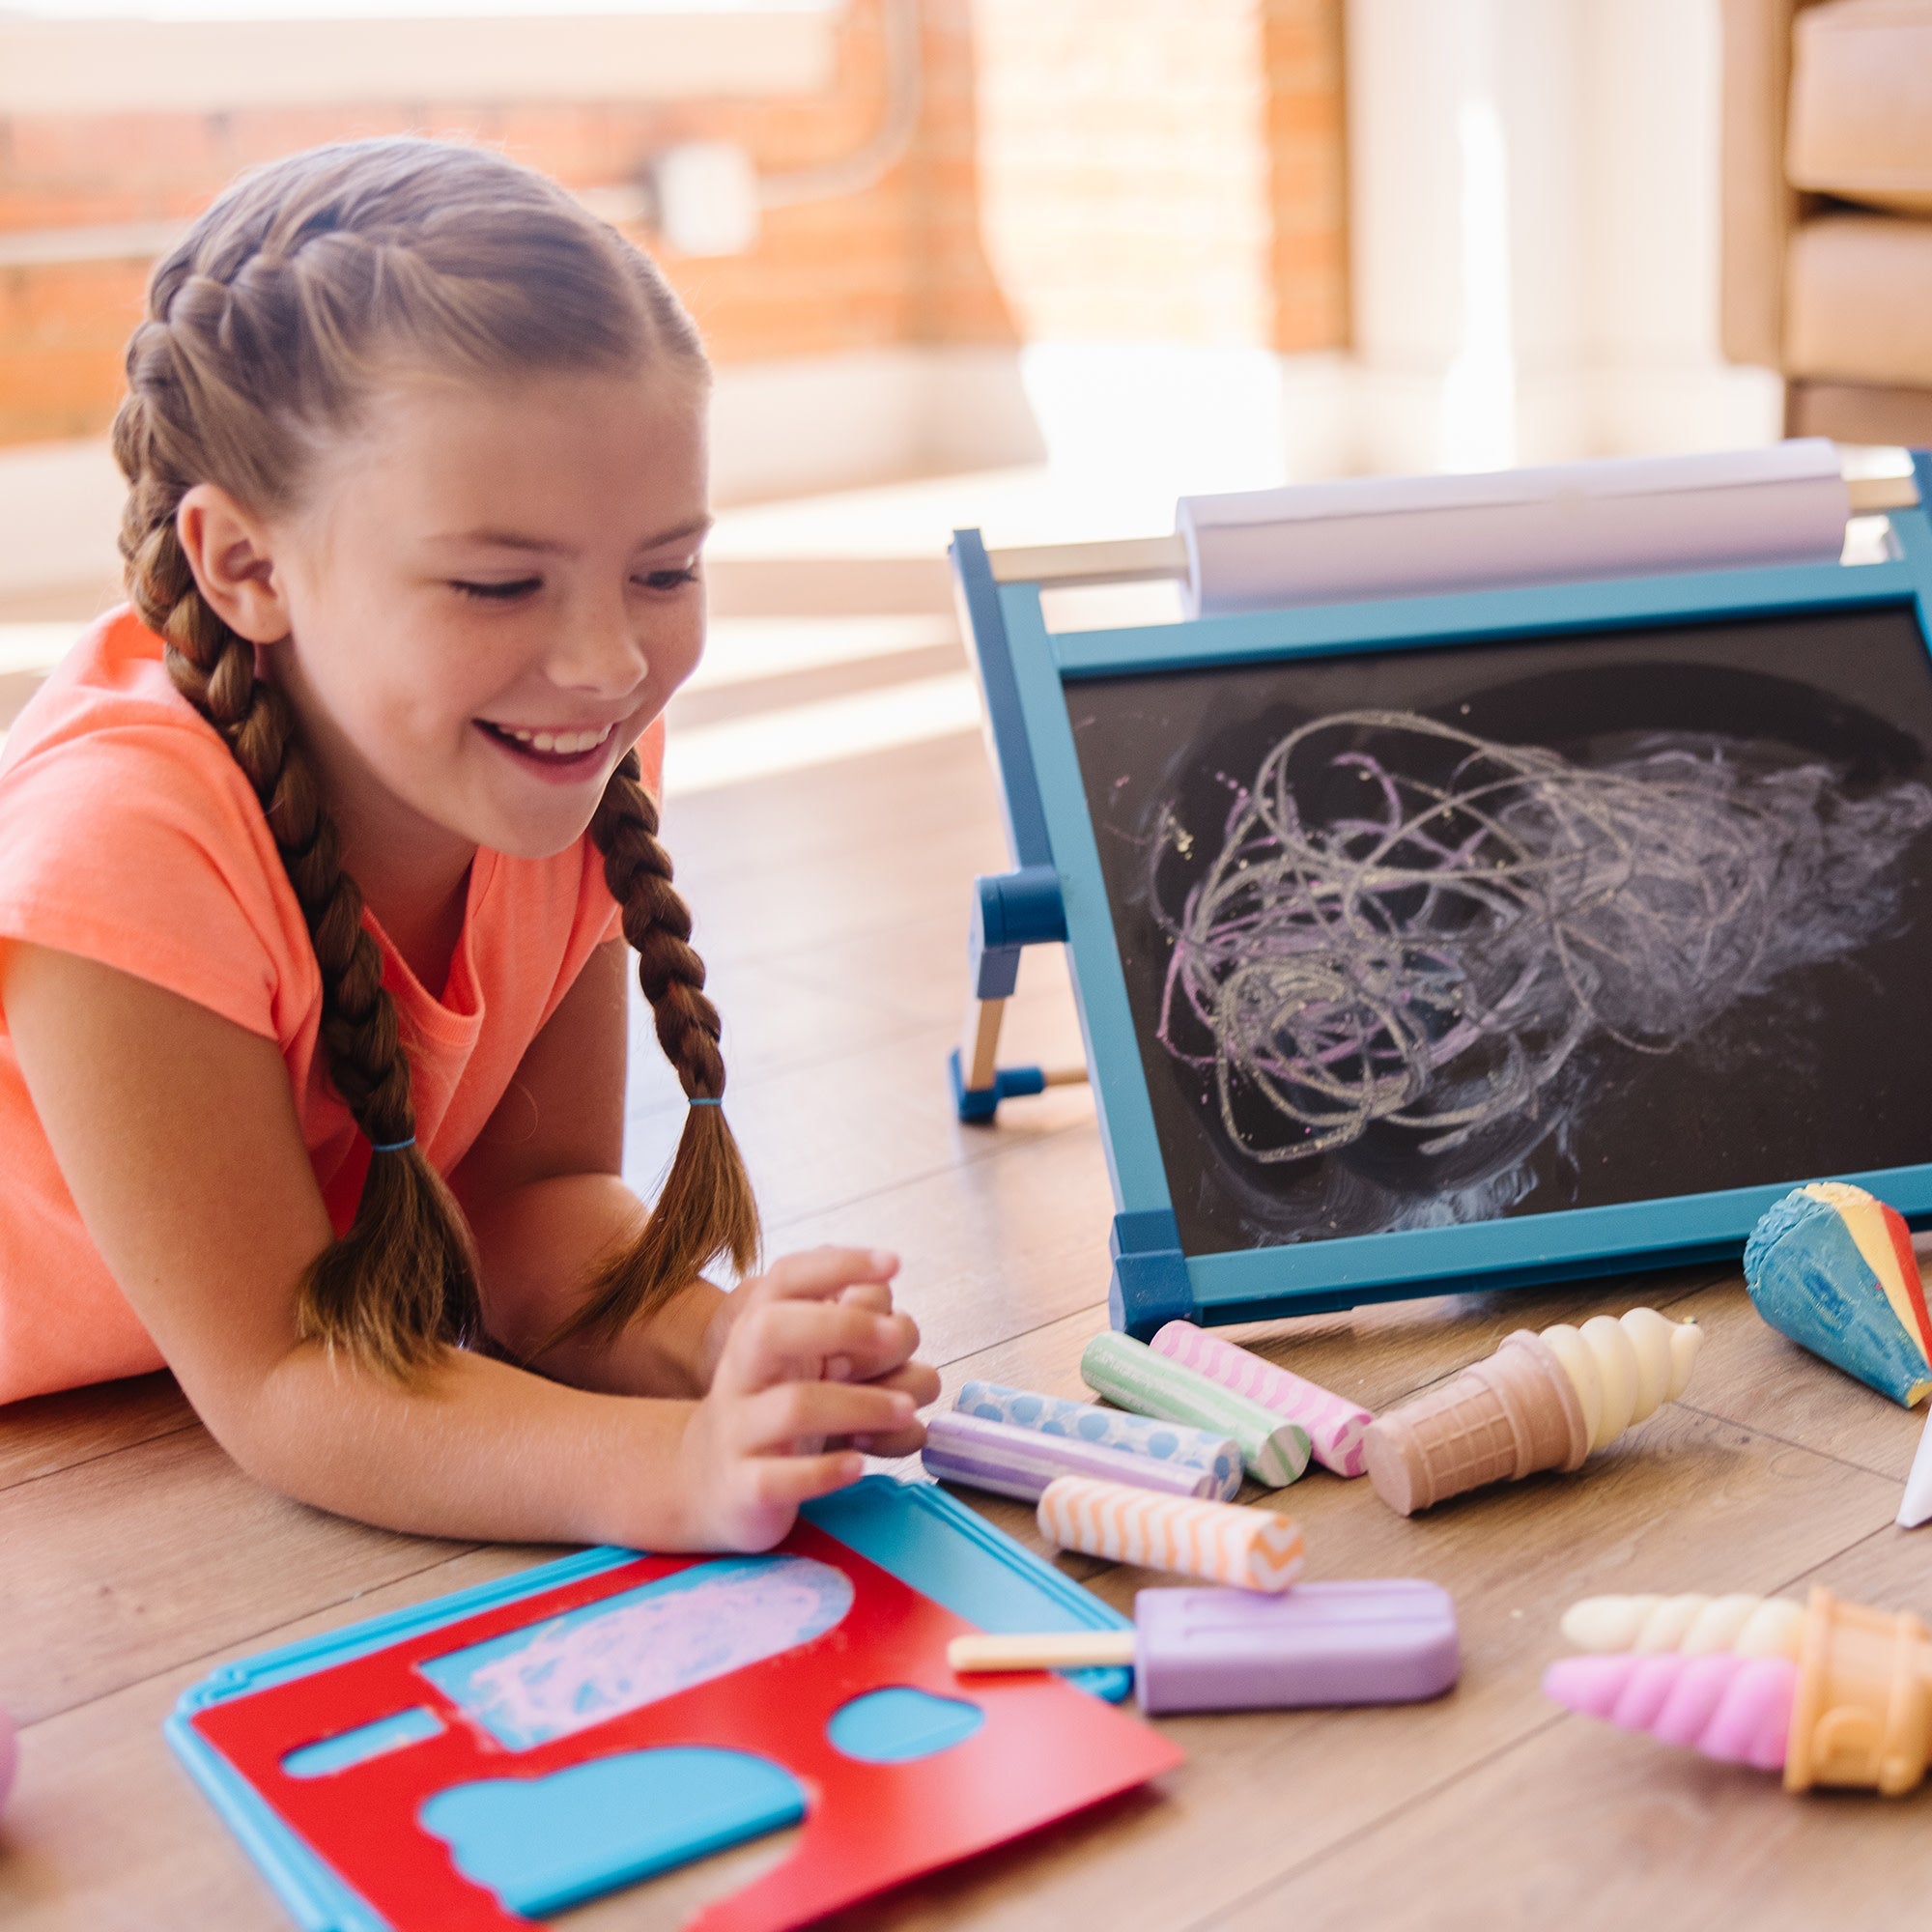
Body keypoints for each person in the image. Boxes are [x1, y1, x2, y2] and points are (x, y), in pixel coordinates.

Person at [0, 136, 938, 1551]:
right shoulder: (119, 843)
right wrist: (674, 1472)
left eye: (666, 569)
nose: (607, 660)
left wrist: (722, 1351)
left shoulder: (556, 755)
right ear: (245, 566)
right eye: (500, 582)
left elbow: (529, 1204)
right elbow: (284, 1374)